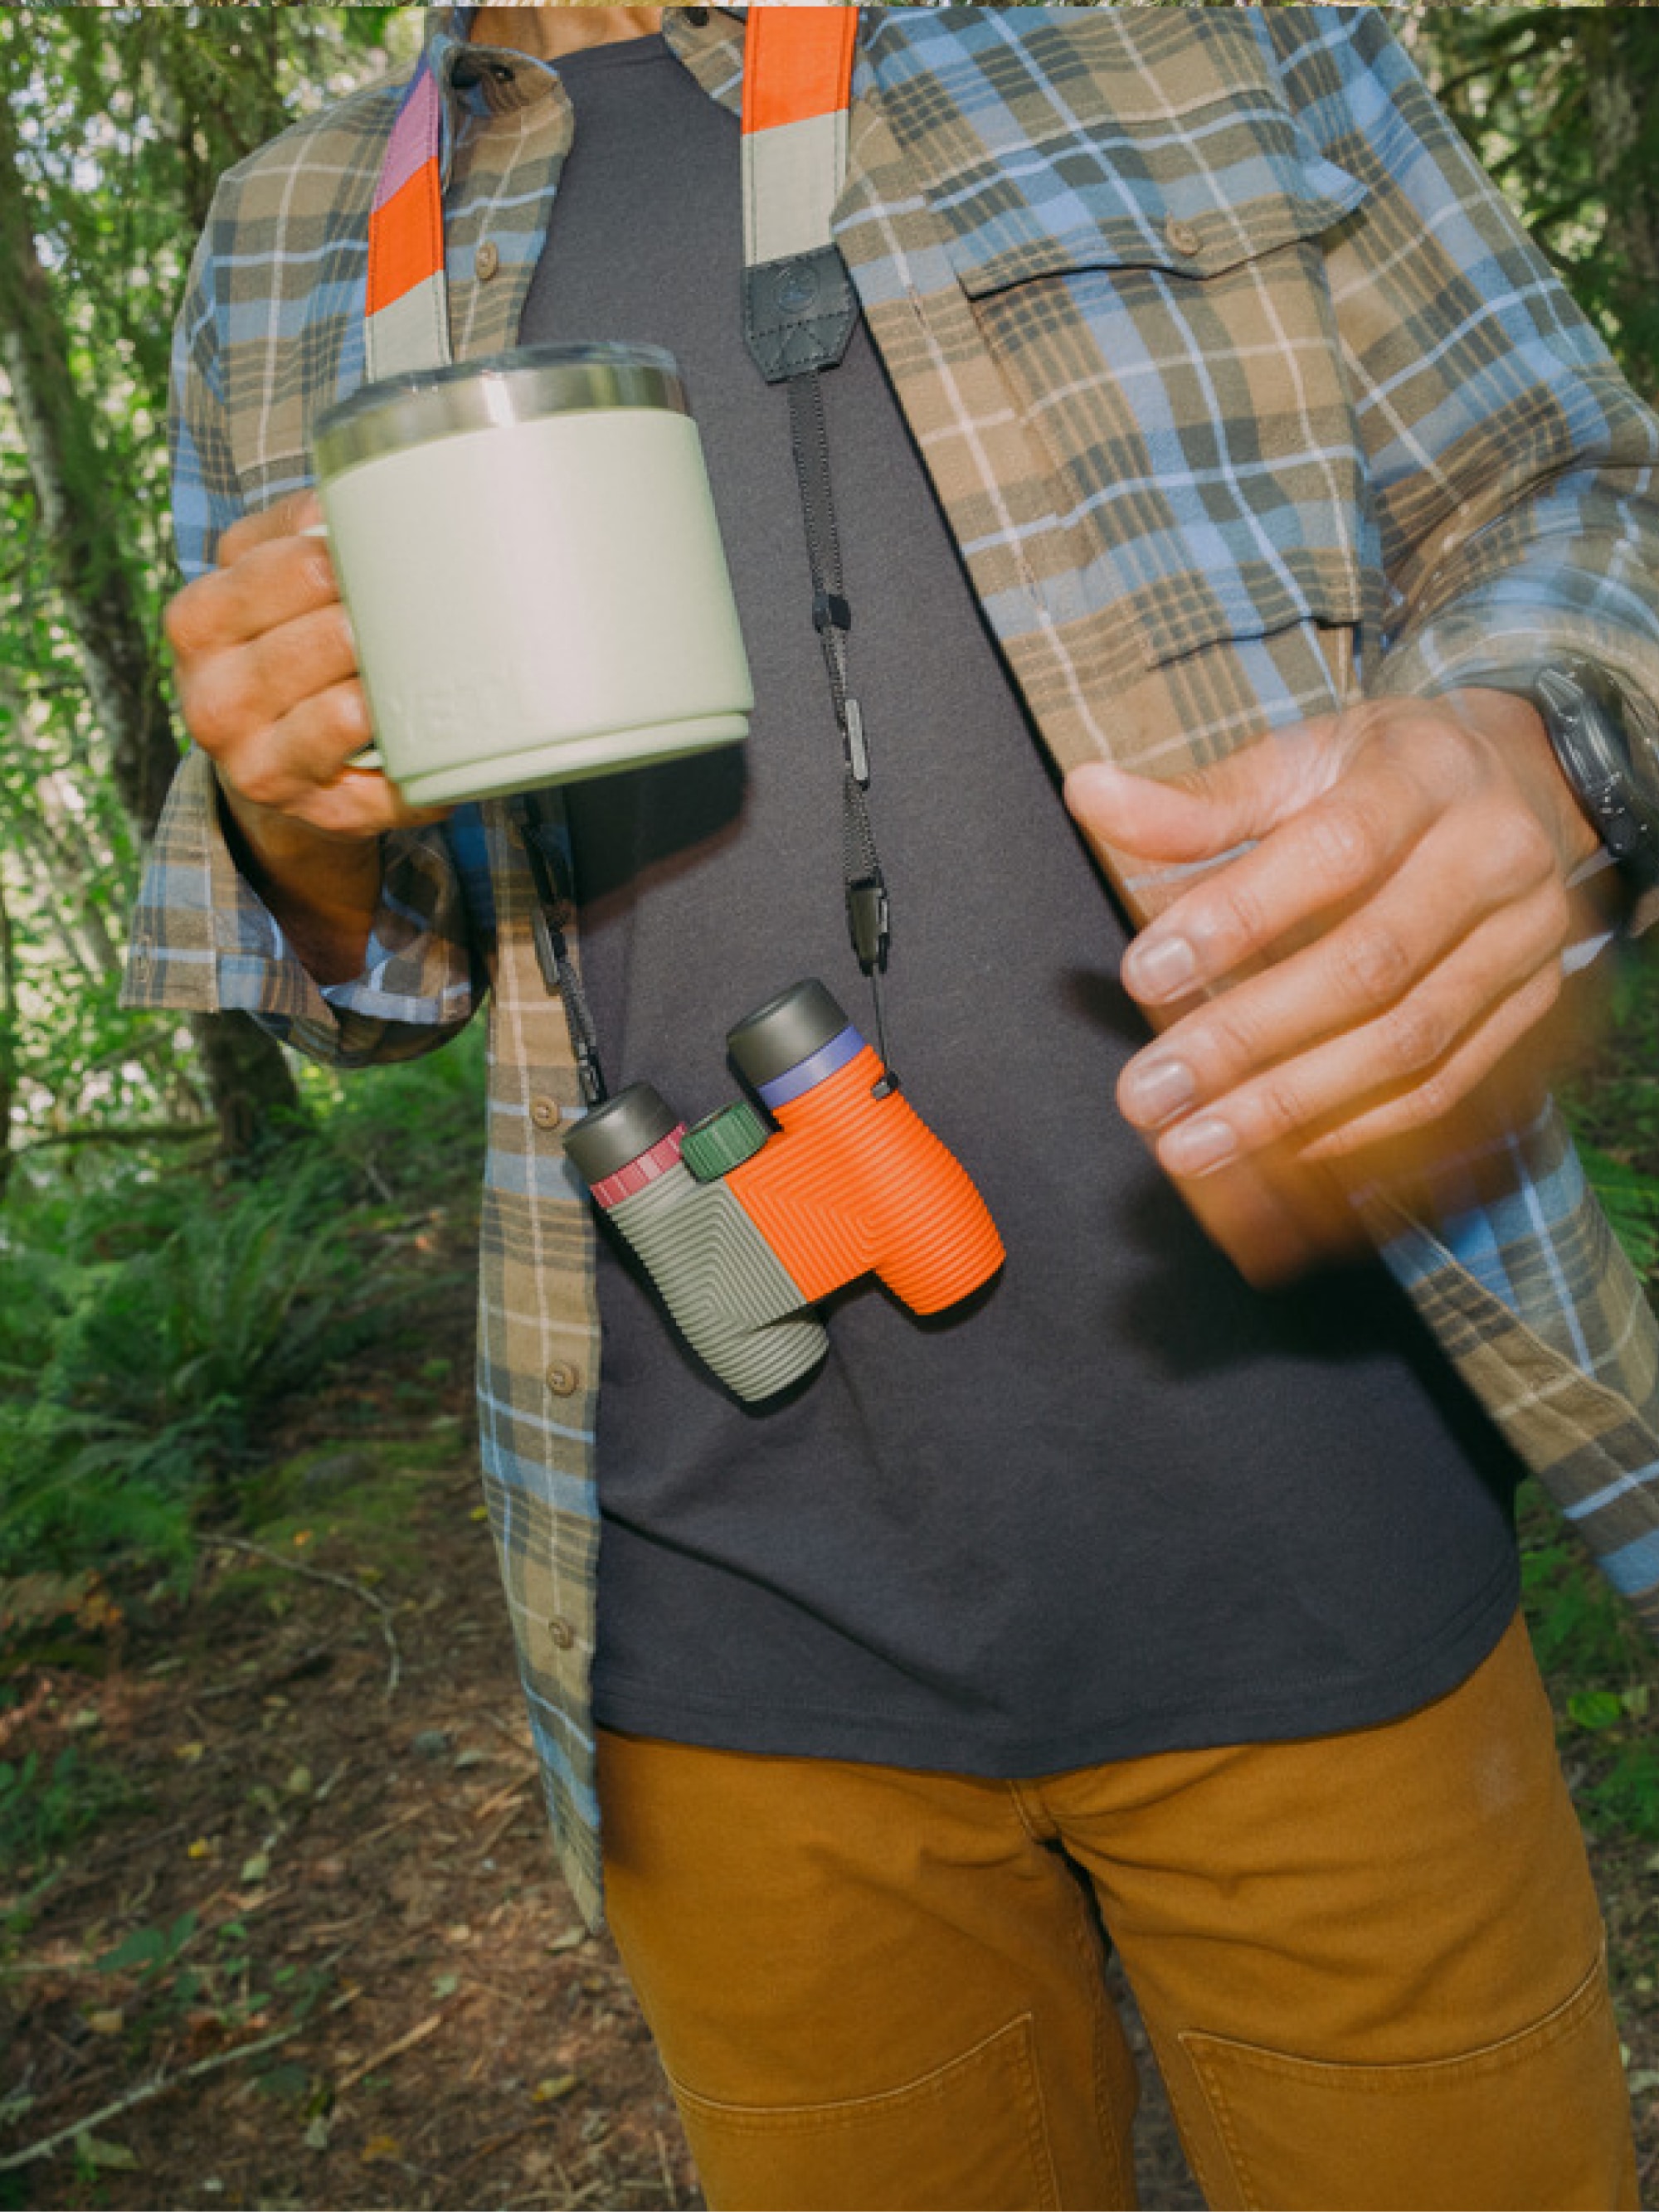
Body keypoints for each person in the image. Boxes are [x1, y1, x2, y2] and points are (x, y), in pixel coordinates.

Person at [124, 6, 1659, 2205]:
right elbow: (372, 979)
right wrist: (292, 819)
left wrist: (1554, 759)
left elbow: (1579, 480)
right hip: (716, 1649)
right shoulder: (290, 233)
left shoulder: (1199, 22)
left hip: (1321, 1535)